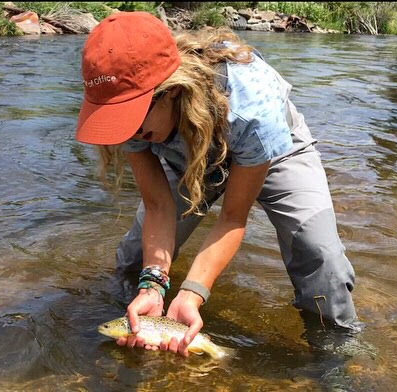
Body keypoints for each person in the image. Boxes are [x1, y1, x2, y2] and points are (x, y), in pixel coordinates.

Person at [75, 12, 361, 357]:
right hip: (186, 153)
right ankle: (136, 314)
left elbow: (232, 218)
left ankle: (337, 353)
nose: (124, 135)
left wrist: (193, 292)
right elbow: (159, 205)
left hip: (272, 150)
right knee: (136, 257)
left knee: (321, 258)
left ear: (171, 92)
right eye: (115, 120)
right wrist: (153, 283)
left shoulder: (252, 107)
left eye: (130, 121)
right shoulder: (130, 110)